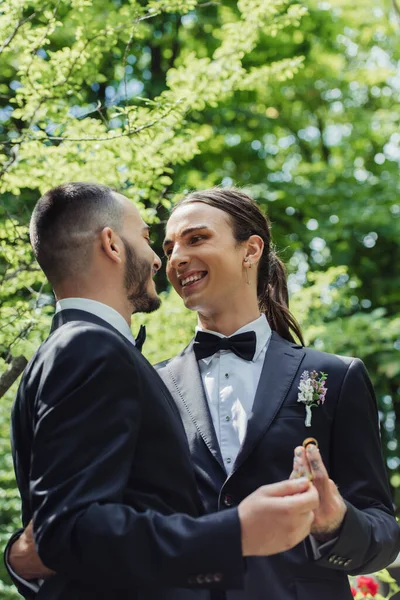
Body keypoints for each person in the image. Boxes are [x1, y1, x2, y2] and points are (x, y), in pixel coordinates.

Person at [3, 183, 320, 600]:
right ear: (112, 245)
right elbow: (69, 529)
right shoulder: (90, 347)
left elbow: (59, 529)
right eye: (150, 240)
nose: (158, 261)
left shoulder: (60, 352)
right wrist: (236, 531)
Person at [155, 187, 400, 600]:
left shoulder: (335, 377)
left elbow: (383, 533)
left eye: (196, 238)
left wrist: (336, 523)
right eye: (169, 246)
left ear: (250, 250)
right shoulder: (150, 386)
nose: (176, 257)